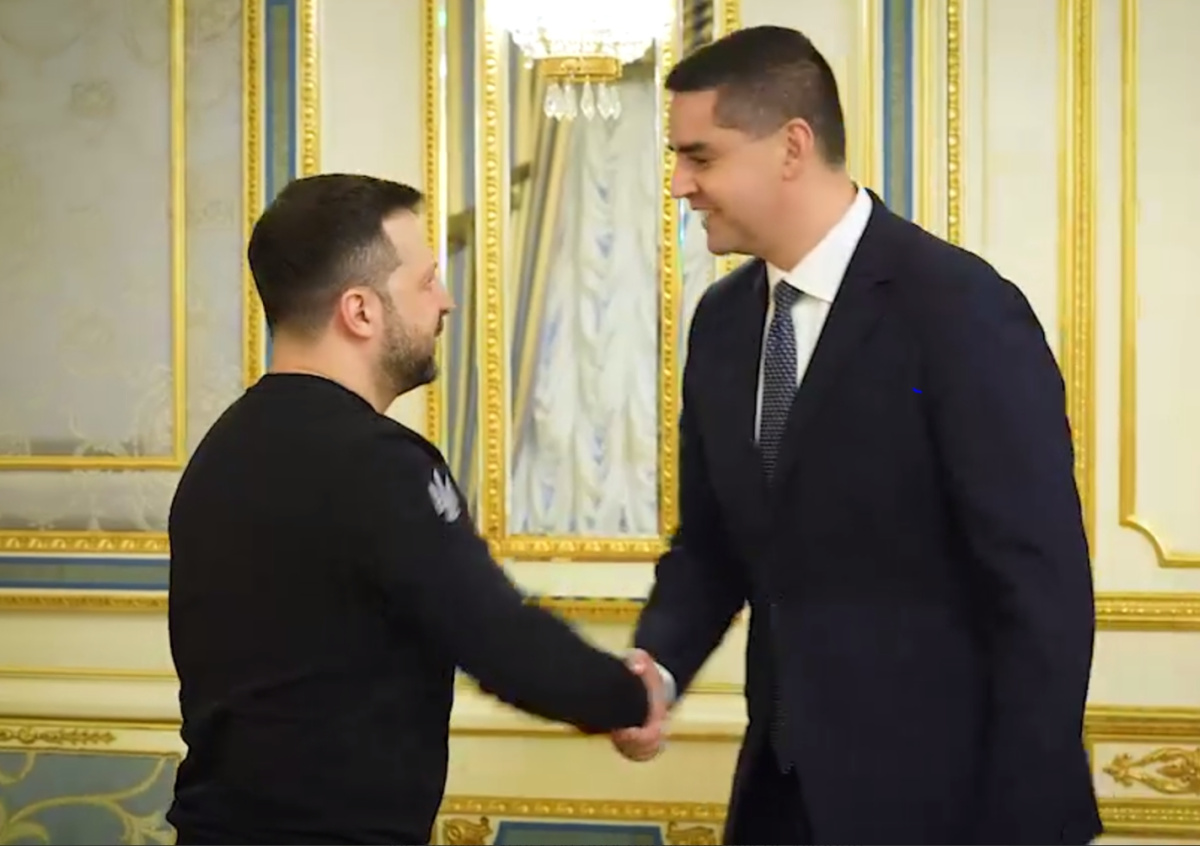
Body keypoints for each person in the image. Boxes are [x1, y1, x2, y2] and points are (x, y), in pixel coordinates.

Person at [611, 25, 1101, 846]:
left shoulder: (959, 309)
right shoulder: (723, 324)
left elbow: (1039, 588)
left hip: (955, 810)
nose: (678, 185)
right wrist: (654, 671)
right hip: (780, 800)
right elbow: (713, 546)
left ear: (792, 146)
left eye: (700, 156)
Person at [166, 173, 666, 846]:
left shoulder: (218, 456)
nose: (446, 300)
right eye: (428, 281)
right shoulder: (379, 463)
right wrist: (630, 697)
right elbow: (499, 638)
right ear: (360, 311)